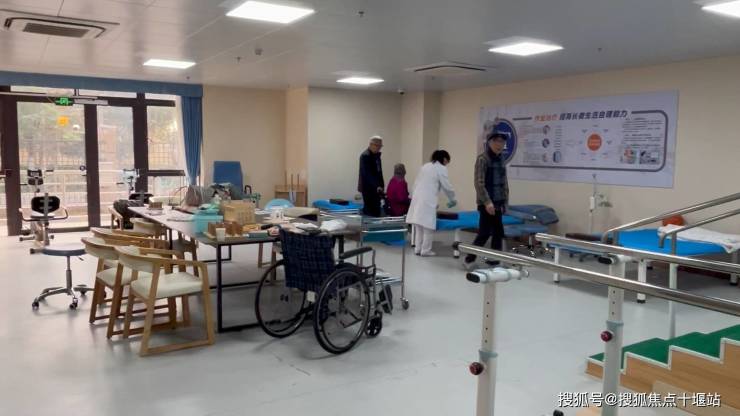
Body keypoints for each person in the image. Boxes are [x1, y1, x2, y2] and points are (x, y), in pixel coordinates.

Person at [464, 132, 509, 267]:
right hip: (486, 203)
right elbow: (479, 183)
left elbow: (504, 182)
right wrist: (487, 202)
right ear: (490, 142)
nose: (500, 145)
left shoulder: (501, 158)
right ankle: (468, 260)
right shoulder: (483, 159)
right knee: (484, 233)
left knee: (498, 232)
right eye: (497, 141)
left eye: (502, 142)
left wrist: (505, 202)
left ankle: (494, 260)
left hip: (498, 201)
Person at [406, 150, 457, 256]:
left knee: (419, 226)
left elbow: (416, 182)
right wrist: (452, 198)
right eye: (447, 161)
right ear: (444, 159)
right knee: (428, 227)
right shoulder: (441, 168)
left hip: (418, 198)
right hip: (427, 200)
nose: (447, 164)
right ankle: (425, 250)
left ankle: (417, 249)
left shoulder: (425, 166)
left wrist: (412, 196)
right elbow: (446, 186)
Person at [358, 136, 385, 217]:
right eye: (378, 146)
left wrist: (382, 185)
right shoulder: (365, 156)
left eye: (380, 146)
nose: (379, 148)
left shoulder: (377, 156)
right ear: (371, 144)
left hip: (376, 188)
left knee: (376, 210)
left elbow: (379, 172)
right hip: (368, 188)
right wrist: (377, 186)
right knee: (370, 211)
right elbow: (367, 174)